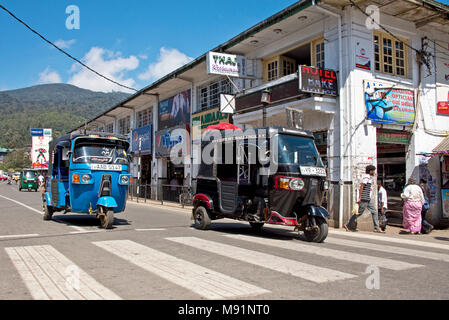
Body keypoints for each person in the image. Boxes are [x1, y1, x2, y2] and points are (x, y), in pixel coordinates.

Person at [344, 165, 384, 233]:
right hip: (364, 198)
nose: (374, 172)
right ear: (370, 171)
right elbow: (362, 187)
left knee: (374, 212)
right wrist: (360, 197)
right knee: (359, 213)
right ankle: (347, 224)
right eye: (373, 170)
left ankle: (377, 228)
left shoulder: (369, 177)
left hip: (367, 199)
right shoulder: (366, 177)